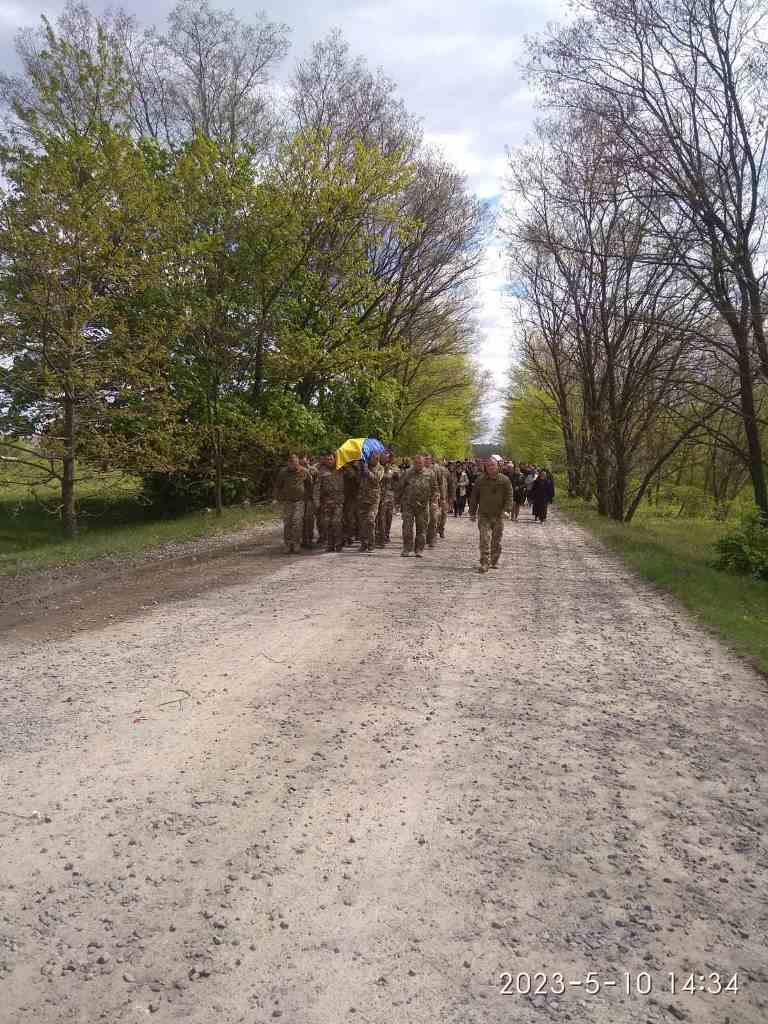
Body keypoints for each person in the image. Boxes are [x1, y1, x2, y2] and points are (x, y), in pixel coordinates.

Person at [469, 456, 513, 573]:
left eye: (493, 465)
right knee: (484, 539)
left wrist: (507, 510)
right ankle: (484, 562)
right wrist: (472, 512)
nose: (490, 468)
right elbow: (474, 497)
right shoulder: (480, 480)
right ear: (485, 467)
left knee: (496, 540)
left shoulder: (505, 480)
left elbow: (509, 497)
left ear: (497, 466)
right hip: (484, 515)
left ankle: (494, 560)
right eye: (488, 466)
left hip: (499, 515)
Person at [397, 453, 438, 558]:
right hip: (408, 505)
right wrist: (396, 502)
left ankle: (419, 550)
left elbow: (435, 489)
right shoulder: (407, 473)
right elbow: (400, 488)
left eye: (420, 463)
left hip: (423, 506)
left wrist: (434, 500)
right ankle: (406, 549)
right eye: (416, 463)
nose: (418, 464)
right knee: (407, 527)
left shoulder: (430, 474)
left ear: (424, 463)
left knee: (422, 529)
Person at [273, 453, 309, 554]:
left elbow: (309, 485)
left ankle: (296, 544)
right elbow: (277, 486)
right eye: (292, 463)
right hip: (288, 501)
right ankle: (288, 544)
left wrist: (309, 498)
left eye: (296, 462)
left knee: (297, 522)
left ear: (298, 462)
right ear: (288, 463)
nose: (294, 465)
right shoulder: (283, 472)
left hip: (300, 501)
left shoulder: (304, 471)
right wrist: (276, 498)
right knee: (287, 522)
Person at [358, 453, 384, 552]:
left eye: (378, 458)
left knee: (370, 520)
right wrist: (361, 467)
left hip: (373, 499)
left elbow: (376, 479)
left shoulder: (380, 468)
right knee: (362, 522)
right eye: (374, 458)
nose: (376, 459)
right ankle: (363, 543)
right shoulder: (364, 466)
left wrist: (367, 471)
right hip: (362, 498)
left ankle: (371, 543)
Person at [376, 452, 399, 547]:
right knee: (381, 517)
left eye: (388, 457)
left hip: (390, 495)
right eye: (384, 457)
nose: (386, 458)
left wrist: (396, 474)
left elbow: (398, 481)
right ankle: (380, 538)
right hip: (380, 495)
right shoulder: (378, 468)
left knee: (389, 517)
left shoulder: (393, 468)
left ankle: (386, 535)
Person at [300, 455, 318, 549]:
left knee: (309, 520)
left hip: (310, 498)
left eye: (304, 458)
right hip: (300, 498)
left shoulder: (313, 470)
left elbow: (315, 481)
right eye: (301, 458)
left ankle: (309, 540)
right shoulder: (297, 470)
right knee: (300, 520)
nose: (303, 460)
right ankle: (303, 539)